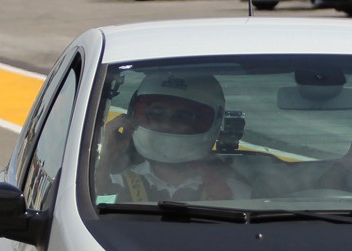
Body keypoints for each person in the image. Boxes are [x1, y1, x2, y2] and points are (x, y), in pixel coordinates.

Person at [95, 72, 248, 201]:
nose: (166, 123)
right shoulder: (112, 180)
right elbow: (86, 211)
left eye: (183, 116)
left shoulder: (238, 193)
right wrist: (108, 156)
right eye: (156, 113)